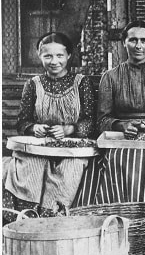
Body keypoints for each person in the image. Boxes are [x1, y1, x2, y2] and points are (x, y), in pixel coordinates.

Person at [76, 20, 145, 206]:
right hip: (122, 138)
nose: (138, 46)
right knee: (119, 159)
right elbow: (102, 119)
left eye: (144, 40)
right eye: (133, 40)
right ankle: (121, 215)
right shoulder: (110, 76)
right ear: (124, 43)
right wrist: (121, 125)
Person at [3, 32, 96, 212]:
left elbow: (91, 122)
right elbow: (22, 122)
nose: (54, 61)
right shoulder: (33, 84)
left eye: (60, 55)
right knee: (31, 167)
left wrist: (69, 129)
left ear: (69, 56)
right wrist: (34, 127)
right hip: (40, 148)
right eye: (48, 56)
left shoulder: (82, 83)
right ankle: (27, 216)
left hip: (72, 150)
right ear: (40, 56)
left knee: (70, 171)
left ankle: (51, 215)